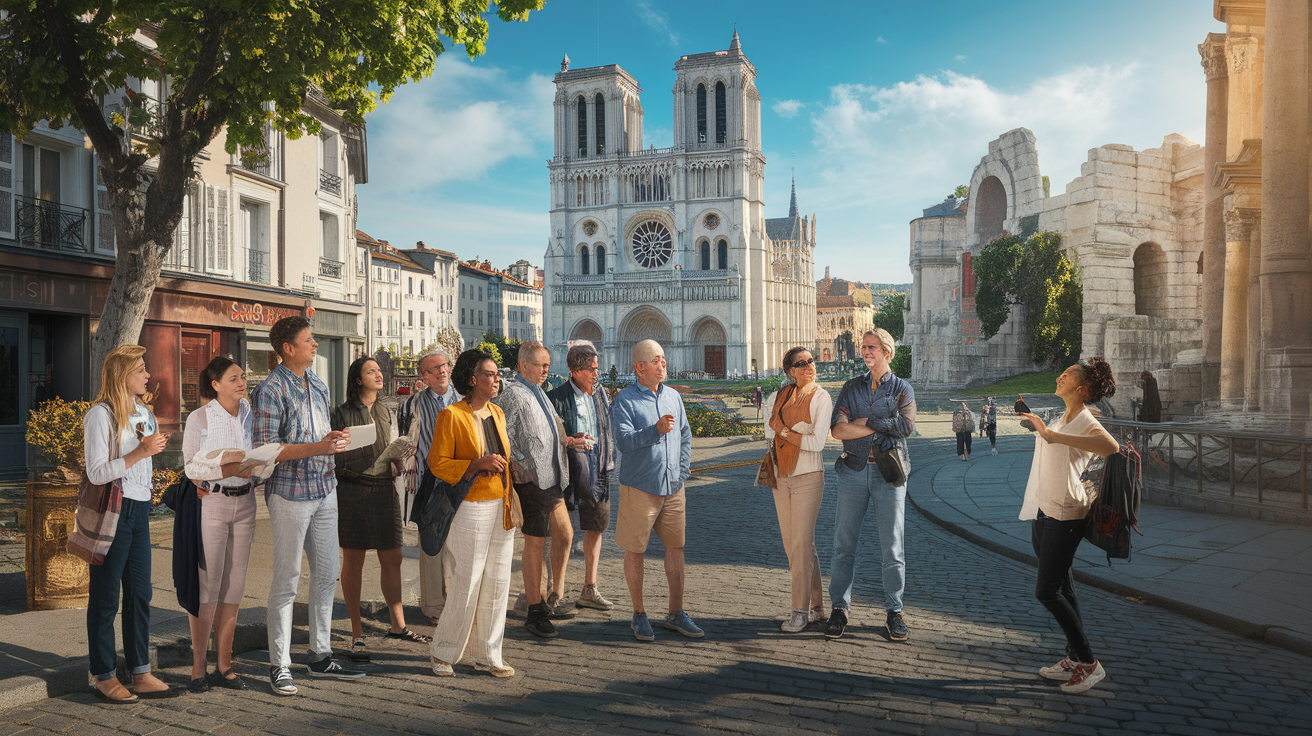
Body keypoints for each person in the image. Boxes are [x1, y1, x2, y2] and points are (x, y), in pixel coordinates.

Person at [253, 316, 363, 696]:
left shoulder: (318, 383)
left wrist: (334, 439)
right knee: (286, 581)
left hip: (324, 488)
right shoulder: (269, 389)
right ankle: (279, 664)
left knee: (327, 574)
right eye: (308, 340)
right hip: (289, 495)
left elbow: (317, 436)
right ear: (287, 348)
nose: (315, 345)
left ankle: (320, 654)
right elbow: (266, 449)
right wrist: (319, 447)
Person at [1017, 358, 1121, 694]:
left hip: (1067, 513)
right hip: (1045, 510)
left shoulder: (1087, 420)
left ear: (1083, 388)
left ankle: (1089, 663)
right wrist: (1041, 427)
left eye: (1067, 375)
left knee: (1046, 591)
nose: (1060, 377)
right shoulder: (1062, 417)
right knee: (1064, 587)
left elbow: (1111, 447)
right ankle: (1074, 658)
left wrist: (1050, 434)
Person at [82, 345, 173, 703]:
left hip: (139, 512)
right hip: (113, 512)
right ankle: (103, 674)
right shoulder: (100, 416)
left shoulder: (143, 413)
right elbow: (96, 472)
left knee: (140, 594)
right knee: (105, 596)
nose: (147, 375)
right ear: (122, 375)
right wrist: (140, 452)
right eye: (140, 370)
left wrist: (150, 459)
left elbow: (144, 463)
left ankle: (140, 671)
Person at [332, 356, 430, 665]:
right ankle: (357, 632)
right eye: (371, 371)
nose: (378, 374)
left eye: (378, 370)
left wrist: (399, 458)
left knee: (394, 557)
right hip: (353, 490)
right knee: (354, 561)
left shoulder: (387, 410)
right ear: (358, 379)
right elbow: (332, 454)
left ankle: (398, 625)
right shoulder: (342, 413)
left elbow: (390, 449)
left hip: (384, 491)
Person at [428, 349, 516, 678]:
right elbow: (437, 463)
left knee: (498, 582)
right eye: (491, 374)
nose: (497, 379)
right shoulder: (452, 415)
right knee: (468, 580)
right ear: (472, 379)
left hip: (501, 505)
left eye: (497, 375)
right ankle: (443, 651)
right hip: (470, 506)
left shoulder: (497, 413)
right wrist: (475, 464)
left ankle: (489, 654)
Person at [826, 328, 916, 642]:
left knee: (892, 548)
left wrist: (866, 423)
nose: (866, 352)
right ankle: (840, 608)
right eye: (864, 347)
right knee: (843, 546)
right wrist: (877, 426)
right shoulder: (852, 388)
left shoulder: (903, 389)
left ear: (887, 353)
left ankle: (895, 611)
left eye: (872, 347)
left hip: (888, 476)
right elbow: (837, 430)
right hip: (852, 471)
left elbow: (905, 427)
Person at [610, 339, 702, 642]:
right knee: (635, 549)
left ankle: (676, 612)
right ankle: (639, 614)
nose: (663, 364)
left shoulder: (673, 396)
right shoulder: (624, 401)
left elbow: (685, 434)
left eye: (663, 359)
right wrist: (655, 431)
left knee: (676, 548)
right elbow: (623, 442)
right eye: (657, 360)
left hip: (673, 486)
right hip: (641, 488)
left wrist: (683, 470)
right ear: (640, 367)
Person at [495, 341, 587, 638]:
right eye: (540, 364)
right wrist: (516, 466)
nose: (546, 370)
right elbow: (499, 436)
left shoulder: (539, 393)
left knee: (565, 533)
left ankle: (554, 596)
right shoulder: (512, 395)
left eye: (548, 364)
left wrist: (570, 440)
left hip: (553, 479)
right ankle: (534, 609)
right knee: (535, 543)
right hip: (532, 482)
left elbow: (553, 428)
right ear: (523, 365)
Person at [180, 356, 258, 693]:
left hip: (247, 503)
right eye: (232, 379)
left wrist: (258, 465)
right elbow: (191, 466)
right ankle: (199, 668)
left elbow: (255, 455)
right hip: (211, 503)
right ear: (215, 385)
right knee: (208, 585)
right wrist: (226, 464)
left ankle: (224, 665)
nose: (241, 383)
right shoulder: (199, 418)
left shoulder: (248, 414)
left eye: (242, 377)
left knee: (235, 585)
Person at [764, 347, 834, 633]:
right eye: (801, 364)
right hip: (781, 476)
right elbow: (770, 429)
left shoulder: (822, 397)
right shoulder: (781, 395)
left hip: (808, 477)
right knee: (796, 546)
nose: (809, 367)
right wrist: (797, 430)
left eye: (811, 361)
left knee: (800, 545)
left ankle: (799, 611)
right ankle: (817, 607)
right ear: (790, 370)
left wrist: (785, 431)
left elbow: (817, 442)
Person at [546, 341, 617, 612]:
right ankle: (556, 592)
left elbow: (607, 429)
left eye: (596, 368)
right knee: (561, 532)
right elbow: (553, 438)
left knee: (596, 525)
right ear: (574, 370)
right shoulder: (557, 398)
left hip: (597, 467)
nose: (595, 374)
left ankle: (589, 588)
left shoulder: (599, 395)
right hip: (567, 471)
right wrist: (572, 439)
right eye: (590, 369)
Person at [397, 349, 460, 623]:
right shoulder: (411, 405)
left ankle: (458, 601)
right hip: (428, 482)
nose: (442, 371)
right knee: (431, 545)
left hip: (462, 480)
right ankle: (434, 605)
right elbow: (402, 444)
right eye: (434, 369)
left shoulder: (464, 401)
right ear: (423, 376)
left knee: (459, 544)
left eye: (444, 366)